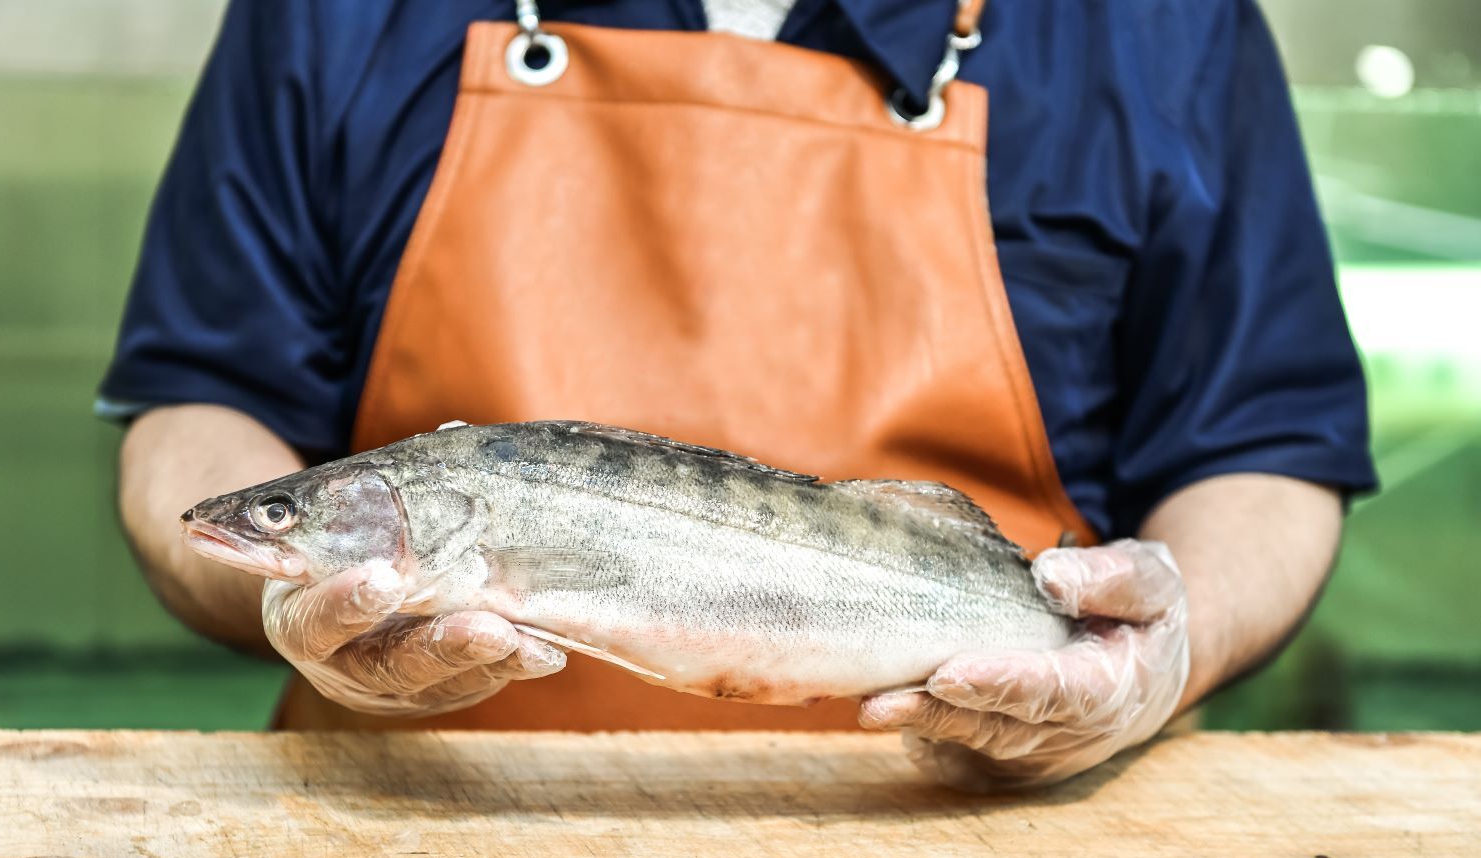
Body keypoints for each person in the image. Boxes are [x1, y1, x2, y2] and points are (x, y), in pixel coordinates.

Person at [100, 0, 1375, 791]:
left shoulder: (1163, 25)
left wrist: (1162, 650)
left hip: (969, 853)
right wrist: (304, 601)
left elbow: (1261, 448)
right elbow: (201, 407)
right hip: (423, 837)